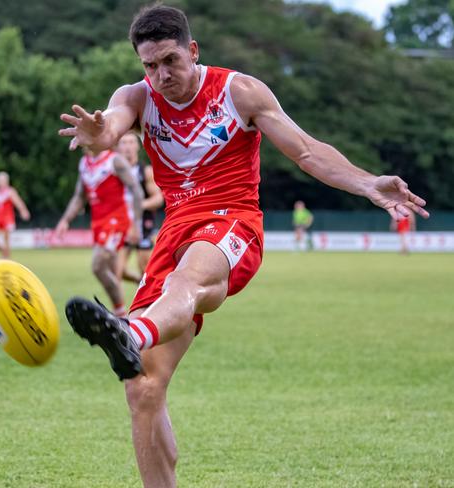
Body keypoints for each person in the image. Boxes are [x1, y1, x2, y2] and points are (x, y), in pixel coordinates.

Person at [58, 5, 430, 488]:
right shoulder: (138, 97)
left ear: (193, 50)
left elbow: (306, 150)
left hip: (231, 222)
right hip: (175, 230)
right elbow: (110, 124)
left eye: (170, 60)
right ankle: (135, 340)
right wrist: (98, 136)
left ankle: (132, 331)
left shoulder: (240, 91)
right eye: (150, 65)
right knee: (143, 388)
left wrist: (367, 183)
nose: (161, 75)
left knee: (188, 282)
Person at [55, 148, 143, 316]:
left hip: (116, 220)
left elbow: (136, 191)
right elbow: (80, 196)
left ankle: (120, 315)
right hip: (98, 223)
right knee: (113, 273)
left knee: (97, 265)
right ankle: (122, 317)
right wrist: (65, 220)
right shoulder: (84, 164)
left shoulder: (115, 160)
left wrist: (135, 224)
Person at [116, 132, 164, 284]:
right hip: (122, 224)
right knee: (118, 271)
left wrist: (139, 205)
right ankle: (139, 284)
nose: (127, 147)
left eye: (131, 142)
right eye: (123, 143)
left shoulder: (145, 171)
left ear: (137, 146)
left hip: (143, 223)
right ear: (118, 147)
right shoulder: (113, 171)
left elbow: (158, 198)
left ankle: (151, 299)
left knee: (145, 269)